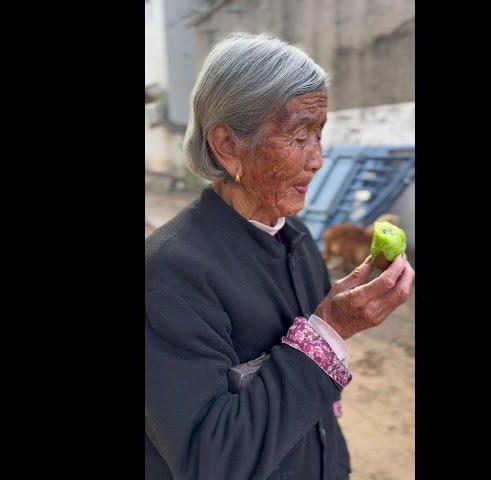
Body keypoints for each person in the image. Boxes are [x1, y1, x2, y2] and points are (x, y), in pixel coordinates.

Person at [145, 32, 415, 480]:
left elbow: (312, 405)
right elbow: (210, 459)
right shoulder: (169, 274)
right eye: (299, 136)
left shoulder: (300, 238)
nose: (319, 159)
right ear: (228, 145)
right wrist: (330, 330)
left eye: (320, 134)